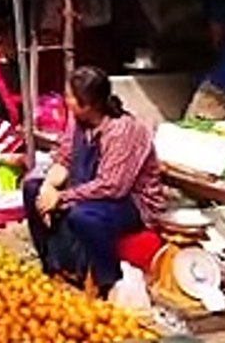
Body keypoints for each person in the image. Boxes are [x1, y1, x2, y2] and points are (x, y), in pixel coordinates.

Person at [22, 67, 165, 295]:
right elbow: (64, 157)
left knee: (84, 216)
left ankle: (107, 281)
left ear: (87, 104)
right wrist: (48, 188)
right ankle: (55, 266)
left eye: (70, 97)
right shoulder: (78, 120)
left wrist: (62, 197)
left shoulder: (121, 130)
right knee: (32, 188)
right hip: (90, 187)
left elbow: (113, 186)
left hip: (130, 202)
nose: (66, 100)